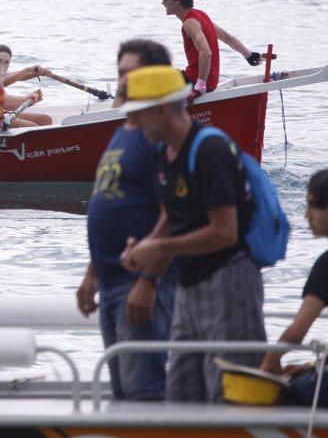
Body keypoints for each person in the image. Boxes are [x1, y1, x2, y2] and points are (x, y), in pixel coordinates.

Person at [120, 64, 265, 404]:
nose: (132, 124)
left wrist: (157, 248)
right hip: (189, 283)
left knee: (230, 400)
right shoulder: (163, 151)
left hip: (229, 281)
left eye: (137, 115)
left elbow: (224, 233)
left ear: (161, 111)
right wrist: (149, 260)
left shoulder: (210, 151)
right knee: (182, 398)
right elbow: (173, 214)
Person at [77, 39, 177, 401]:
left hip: (143, 284)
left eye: (132, 74)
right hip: (110, 281)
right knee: (121, 394)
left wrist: (149, 281)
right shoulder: (123, 130)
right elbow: (111, 204)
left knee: (143, 396)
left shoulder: (158, 138)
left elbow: (172, 212)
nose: (123, 81)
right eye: (120, 73)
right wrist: (92, 274)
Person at [260, 170, 328, 403]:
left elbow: (298, 331)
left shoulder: (326, 265)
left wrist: (270, 362)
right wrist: (315, 365)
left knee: (279, 394)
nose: (307, 215)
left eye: (313, 206)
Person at [161, 0, 263, 96]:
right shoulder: (201, 15)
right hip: (210, 82)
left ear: (178, 0)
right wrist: (248, 55)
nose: (162, 3)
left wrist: (200, 86)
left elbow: (206, 53)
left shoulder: (190, 23)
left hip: (195, 81)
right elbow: (227, 37)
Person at [0, 44, 52, 127]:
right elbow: (6, 103)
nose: (2, 65)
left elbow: (12, 76)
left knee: (45, 119)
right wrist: (28, 99)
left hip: (0, 113)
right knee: (33, 127)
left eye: (6, 62)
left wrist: (36, 73)